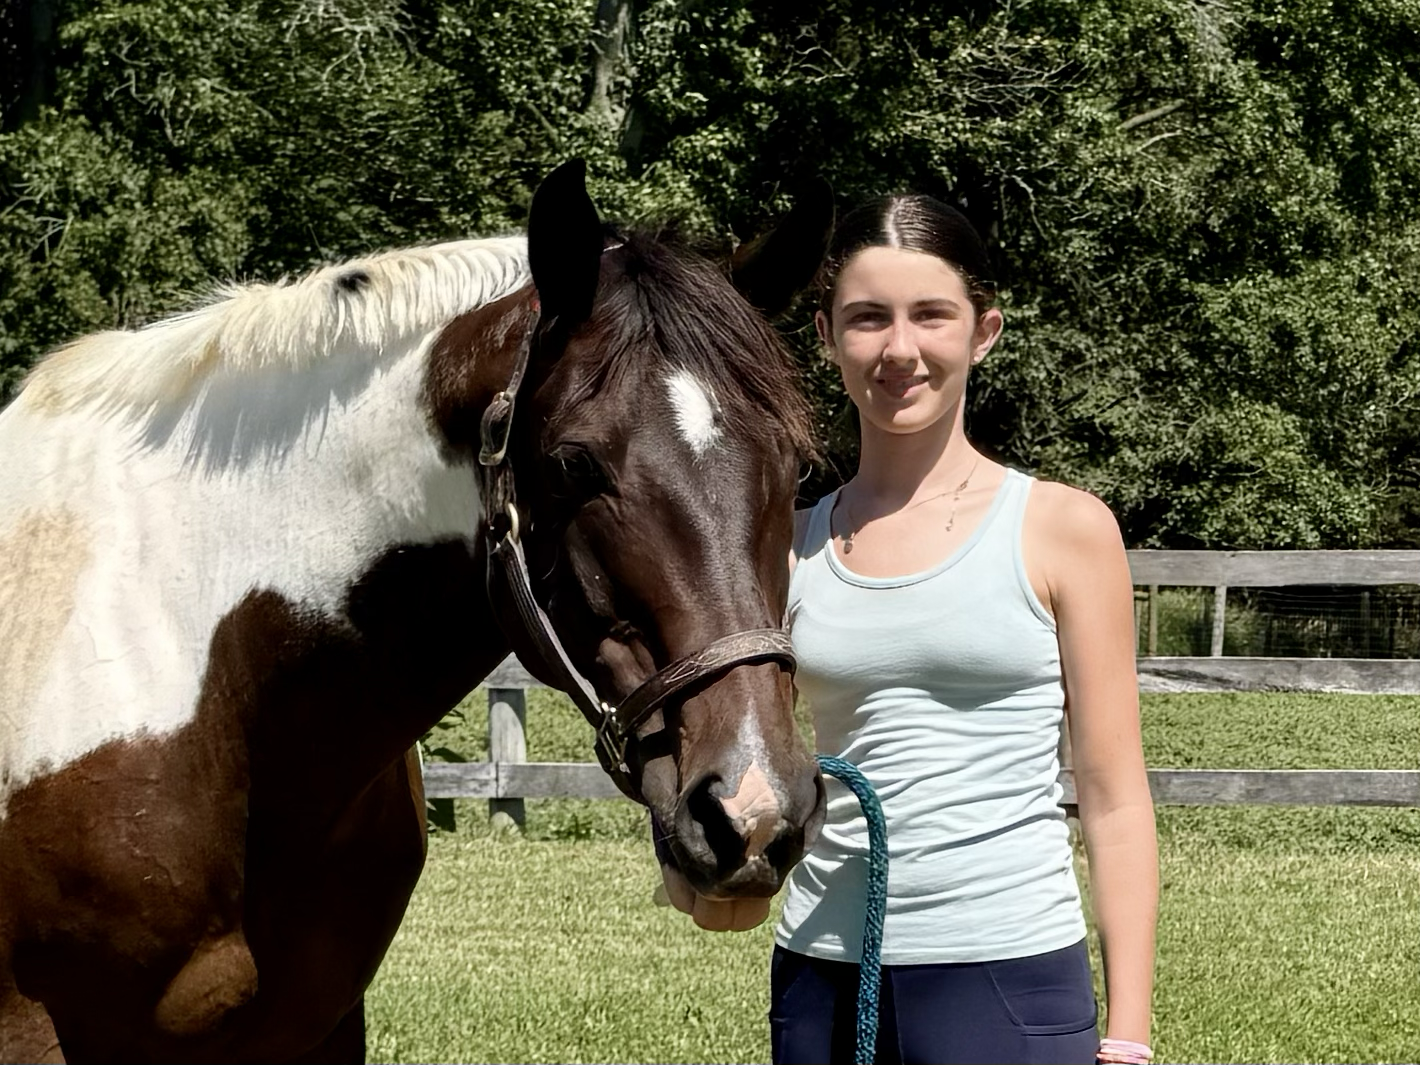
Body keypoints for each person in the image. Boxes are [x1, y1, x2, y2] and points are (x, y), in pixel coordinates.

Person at [664, 193, 1158, 1065]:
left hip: (1007, 974)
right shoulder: (790, 545)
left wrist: (1128, 1035)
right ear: (824, 335)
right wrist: (696, 856)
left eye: (932, 314)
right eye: (867, 318)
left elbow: (1115, 800)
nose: (900, 349)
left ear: (984, 331)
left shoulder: (1063, 529)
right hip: (821, 973)